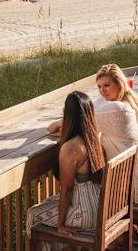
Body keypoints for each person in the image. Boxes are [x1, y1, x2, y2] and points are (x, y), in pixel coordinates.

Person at [48, 63, 138, 204]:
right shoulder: (129, 102)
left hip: (131, 184)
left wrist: (61, 122)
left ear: (119, 85)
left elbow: (55, 127)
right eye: (99, 86)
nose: (102, 91)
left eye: (107, 85)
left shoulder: (116, 109)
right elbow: (88, 113)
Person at [26, 91, 105, 250]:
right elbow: (51, 129)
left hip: (84, 212)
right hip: (100, 206)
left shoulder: (71, 148)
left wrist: (61, 225)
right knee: (49, 204)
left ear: (67, 114)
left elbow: (67, 189)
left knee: (33, 215)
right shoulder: (94, 137)